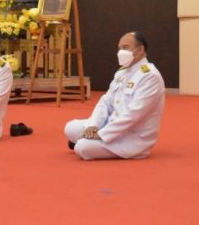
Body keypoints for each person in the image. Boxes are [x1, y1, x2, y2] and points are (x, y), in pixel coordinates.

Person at [63, 31, 165, 160]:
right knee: (70, 128)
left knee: (82, 148)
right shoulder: (122, 72)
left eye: (125, 48)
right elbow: (105, 101)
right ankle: (89, 140)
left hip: (131, 136)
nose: (120, 52)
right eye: (119, 48)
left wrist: (101, 134)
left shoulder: (150, 76)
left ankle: (86, 142)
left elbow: (134, 115)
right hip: (110, 125)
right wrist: (94, 125)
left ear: (140, 50)